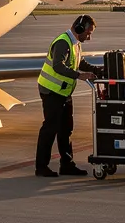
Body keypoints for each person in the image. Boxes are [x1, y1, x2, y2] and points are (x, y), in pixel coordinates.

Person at [35, 14, 99, 178]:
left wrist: (98, 70)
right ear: (79, 28)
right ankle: (41, 167)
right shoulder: (63, 42)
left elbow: (80, 63)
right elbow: (58, 66)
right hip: (51, 91)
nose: (89, 37)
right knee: (50, 129)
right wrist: (79, 76)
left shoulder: (75, 44)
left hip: (63, 92)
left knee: (66, 129)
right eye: (89, 33)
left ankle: (67, 164)